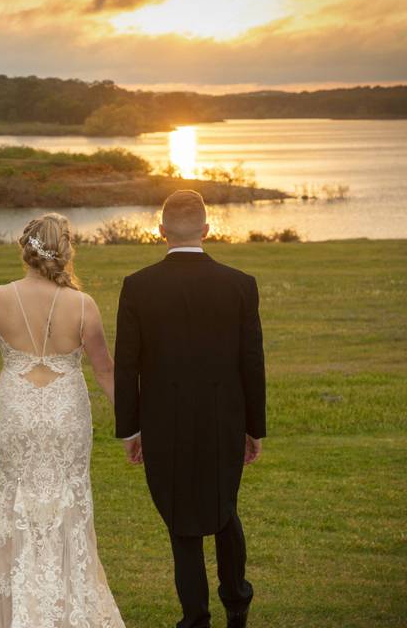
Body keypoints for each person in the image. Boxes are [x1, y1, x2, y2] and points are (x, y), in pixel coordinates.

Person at [114, 190, 267, 628]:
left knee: (182, 519)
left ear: (160, 232)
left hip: (164, 423)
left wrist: (131, 430)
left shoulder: (138, 286)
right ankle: (236, 604)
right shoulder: (240, 283)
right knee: (224, 508)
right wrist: (254, 428)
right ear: (206, 229)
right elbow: (252, 362)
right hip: (225, 421)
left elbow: (128, 366)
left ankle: (195, 618)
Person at [0, 212, 126, 628]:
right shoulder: (83, 304)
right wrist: (130, 426)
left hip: (16, 411)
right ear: (65, 250)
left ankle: (18, 610)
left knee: (14, 502)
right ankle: (70, 607)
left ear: (25, 250)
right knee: (70, 504)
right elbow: (106, 371)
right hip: (66, 411)